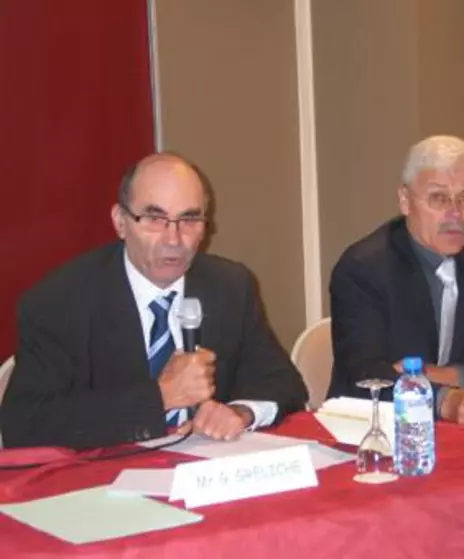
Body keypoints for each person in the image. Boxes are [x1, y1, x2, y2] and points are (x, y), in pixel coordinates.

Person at [1, 153, 308, 449]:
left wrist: (241, 412)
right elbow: (25, 424)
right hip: (103, 482)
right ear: (120, 222)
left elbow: (284, 383)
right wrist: (161, 396)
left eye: (189, 219)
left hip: (206, 475)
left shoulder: (229, 286)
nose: (173, 239)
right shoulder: (60, 301)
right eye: (154, 218)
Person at [328, 135, 464, 425]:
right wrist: (443, 399)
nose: (455, 215)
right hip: (376, 430)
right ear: (405, 200)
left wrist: (453, 376)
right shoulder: (364, 269)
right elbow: (365, 376)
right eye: (439, 198)